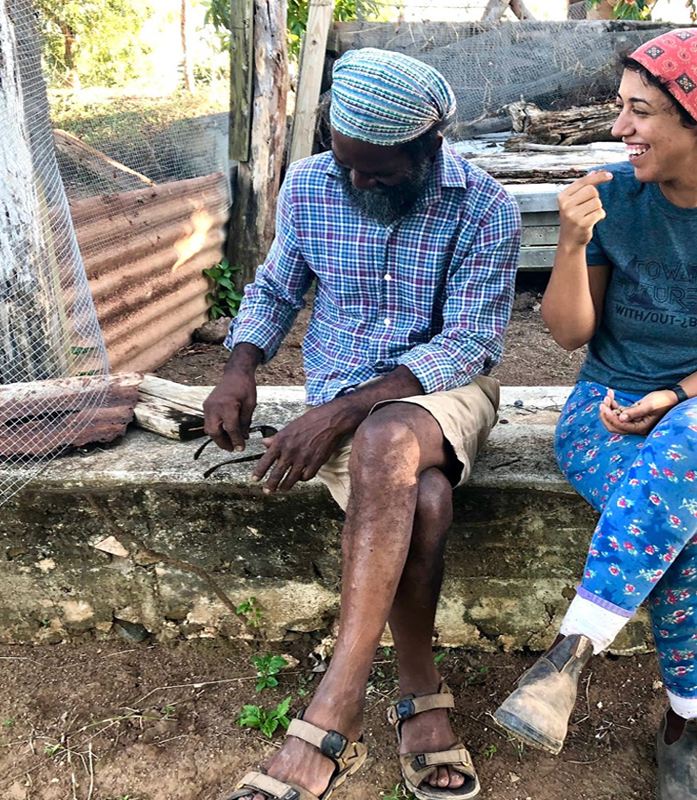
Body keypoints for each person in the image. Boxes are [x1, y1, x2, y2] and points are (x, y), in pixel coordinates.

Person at [491, 28, 697, 799]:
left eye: (639, 112)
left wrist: (680, 394)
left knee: (693, 438)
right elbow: (571, 334)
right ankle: (688, 728)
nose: (618, 128)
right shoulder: (614, 198)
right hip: (602, 414)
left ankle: (571, 651)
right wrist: (570, 242)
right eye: (620, 109)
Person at [206, 48, 520, 800]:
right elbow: (278, 288)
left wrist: (342, 411)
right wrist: (240, 368)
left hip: (445, 391)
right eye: (346, 164)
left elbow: (469, 342)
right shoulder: (312, 187)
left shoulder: (486, 208)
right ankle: (420, 690)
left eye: (376, 170)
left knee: (384, 432)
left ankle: (334, 703)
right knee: (430, 501)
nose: (356, 182)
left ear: (428, 147)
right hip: (346, 395)